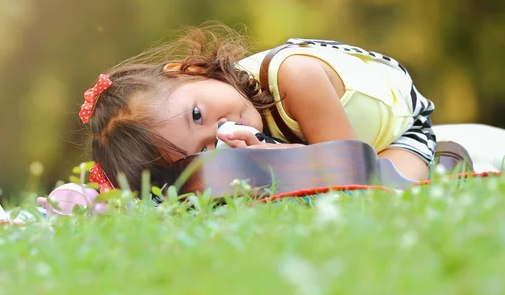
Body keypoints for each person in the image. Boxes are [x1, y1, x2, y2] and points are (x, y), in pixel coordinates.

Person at [79, 23, 441, 192]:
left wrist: (282, 156)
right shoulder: (240, 136)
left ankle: (451, 151)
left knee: (390, 189)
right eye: (204, 150)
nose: (221, 133)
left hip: (403, 121)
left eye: (197, 115)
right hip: (339, 137)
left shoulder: (295, 78)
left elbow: (351, 174)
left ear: (187, 71)